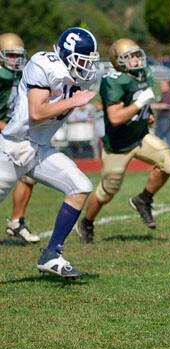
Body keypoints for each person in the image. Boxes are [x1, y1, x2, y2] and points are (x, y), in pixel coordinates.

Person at [0, 27, 99, 278]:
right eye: (83, 60)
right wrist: (72, 101)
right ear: (67, 54)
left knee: (80, 186)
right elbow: (36, 113)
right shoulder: (45, 64)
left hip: (39, 149)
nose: (87, 66)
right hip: (13, 148)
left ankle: (51, 254)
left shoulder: (78, 75)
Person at [75, 38, 170, 243]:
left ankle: (143, 200)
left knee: (169, 164)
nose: (137, 59)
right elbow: (115, 117)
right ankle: (86, 222)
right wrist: (140, 104)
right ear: (119, 61)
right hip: (118, 147)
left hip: (140, 137)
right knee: (106, 193)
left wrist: (147, 114)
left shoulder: (144, 73)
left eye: (138, 54)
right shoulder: (113, 80)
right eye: (131, 56)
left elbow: (140, 106)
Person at [0, 33, 40, 243]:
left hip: (11, 133)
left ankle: (16, 221)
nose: (15, 59)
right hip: (5, 132)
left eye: (18, 55)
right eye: (10, 55)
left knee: (28, 175)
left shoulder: (19, 74)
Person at [153, 79, 170, 153]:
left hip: (165, 118)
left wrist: (153, 105)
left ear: (168, 86)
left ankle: (158, 152)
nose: (161, 86)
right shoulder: (167, 93)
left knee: (158, 136)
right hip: (169, 117)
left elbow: (165, 105)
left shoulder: (167, 93)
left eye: (163, 85)